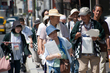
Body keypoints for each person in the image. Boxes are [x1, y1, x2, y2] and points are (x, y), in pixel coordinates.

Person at [70, 7, 105, 73]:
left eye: (84, 15)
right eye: (81, 16)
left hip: (94, 52)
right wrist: (76, 36)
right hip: (82, 52)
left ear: (89, 14)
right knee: (82, 70)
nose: (82, 17)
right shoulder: (78, 24)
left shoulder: (96, 24)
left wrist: (97, 37)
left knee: (95, 71)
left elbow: (102, 34)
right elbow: (72, 35)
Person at [93, 4, 110, 73]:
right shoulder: (90, 22)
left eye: (100, 11)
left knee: (102, 66)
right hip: (92, 48)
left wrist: (108, 48)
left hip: (102, 47)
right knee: (93, 67)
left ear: (102, 13)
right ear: (93, 11)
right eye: (97, 11)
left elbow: (107, 36)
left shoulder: (104, 23)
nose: (98, 13)